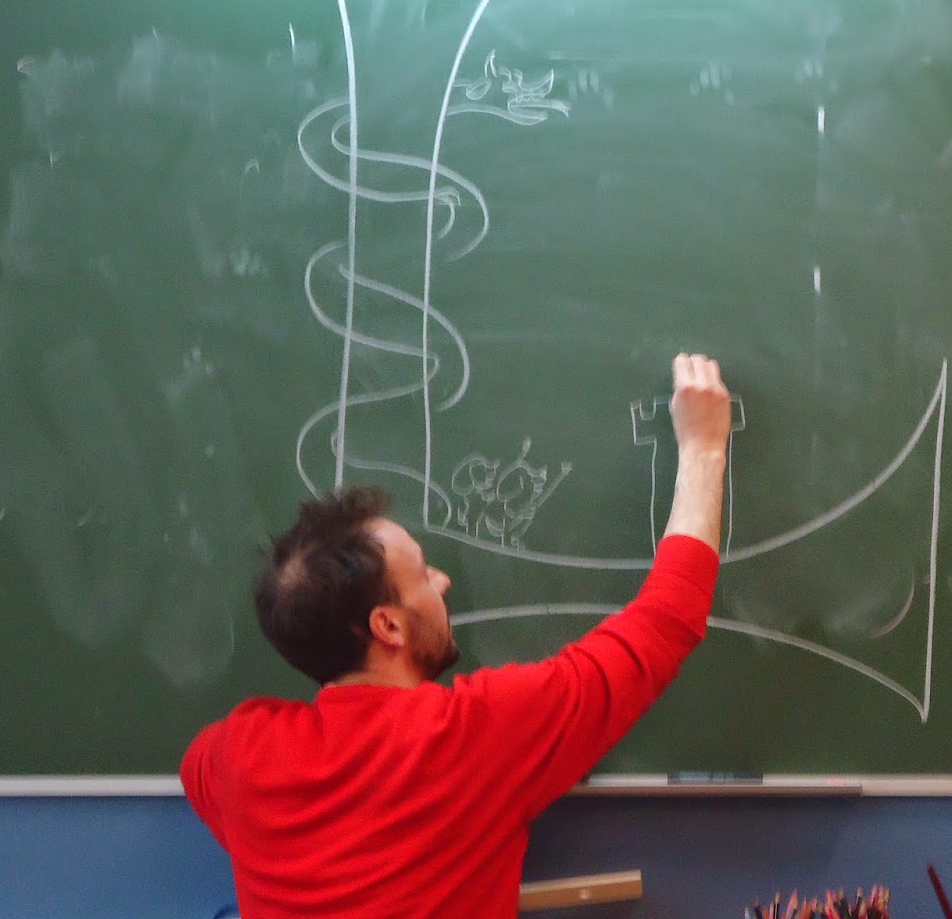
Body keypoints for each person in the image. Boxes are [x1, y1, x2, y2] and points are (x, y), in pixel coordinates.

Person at [181, 353, 732, 919]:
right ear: (387, 626)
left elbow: (195, 769)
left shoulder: (236, 757)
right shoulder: (475, 736)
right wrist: (704, 448)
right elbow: (666, 619)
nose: (443, 581)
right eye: (423, 574)